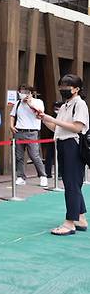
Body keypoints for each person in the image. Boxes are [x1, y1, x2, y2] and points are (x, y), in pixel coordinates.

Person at [38, 74, 89, 236]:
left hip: (72, 145)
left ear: (76, 89)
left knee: (72, 184)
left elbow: (77, 127)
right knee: (72, 183)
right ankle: (80, 218)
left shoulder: (79, 104)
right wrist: (44, 118)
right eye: (61, 87)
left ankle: (69, 223)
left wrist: (52, 119)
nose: (63, 90)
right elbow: (58, 129)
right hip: (63, 143)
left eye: (66, 87)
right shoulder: (67, 104)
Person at [10, 84, 48, 187]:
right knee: (19, 156)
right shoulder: (17, 103)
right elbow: (12, 115)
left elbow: (40, 113)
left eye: (25, 92)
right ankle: (20, 177)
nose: (22, 94)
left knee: (34, 155)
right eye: (21, 92)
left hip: (32, 132)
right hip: (19, 131)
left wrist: (29, 103)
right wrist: (11, 126)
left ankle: (43, 176)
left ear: (31, 93)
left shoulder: (38, 102)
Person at [43, 101, 64, 178]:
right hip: (51, 139)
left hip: (61, 138)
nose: (56, 109)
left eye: (58, 108)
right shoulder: (51, 116)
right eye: (55, 108)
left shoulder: (64, 117)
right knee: (49, 156)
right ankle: (47, 173)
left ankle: (60, 173)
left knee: (61, 156)